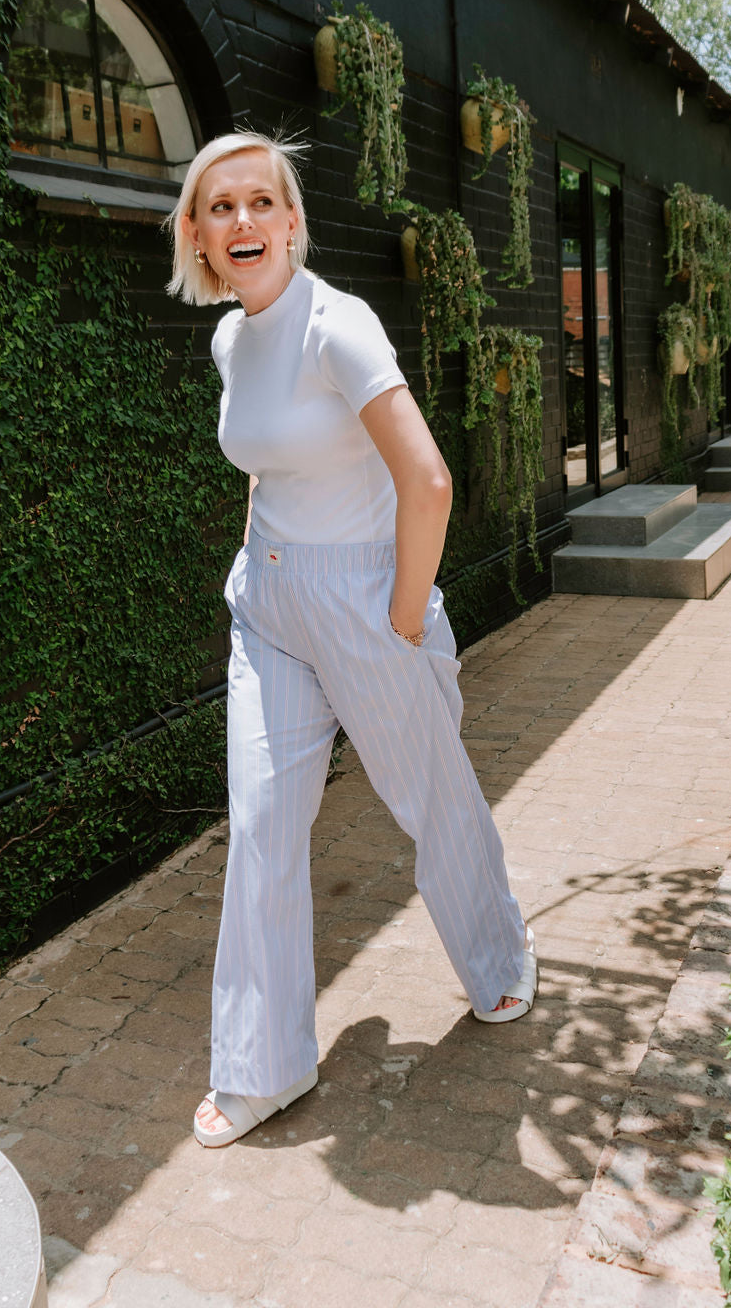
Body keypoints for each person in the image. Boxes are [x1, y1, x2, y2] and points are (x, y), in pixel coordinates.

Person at [164, 130, 536, 1149]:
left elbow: (428, 481)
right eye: (219, 206)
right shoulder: (229, 341)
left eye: (260, 201)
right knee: (261, 822)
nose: (241, 220)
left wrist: (404, 621)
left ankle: (498, 958)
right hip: (271, 609)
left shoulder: (342, 326)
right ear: (196, 234)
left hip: (370, 599)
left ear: (291, 220)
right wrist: (259, 570)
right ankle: (261, 1068)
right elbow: (268, 467)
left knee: (430, 795)